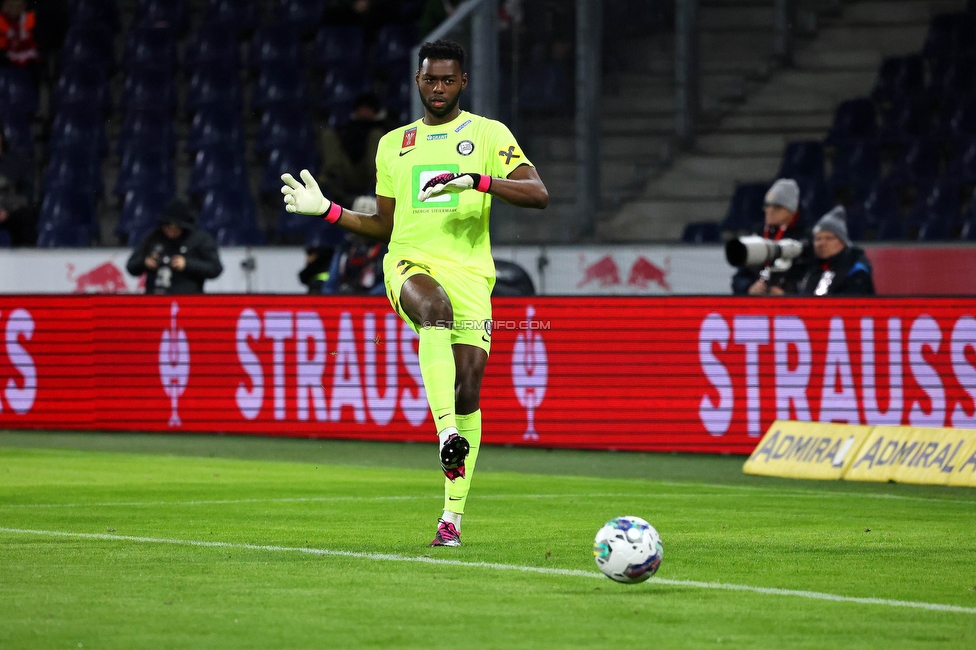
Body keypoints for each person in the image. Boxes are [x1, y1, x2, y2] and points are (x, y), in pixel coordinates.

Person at [281, 39, 548, 547]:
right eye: (431, 79)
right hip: (408, 262)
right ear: (418, 81)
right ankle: (445, 432)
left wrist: (476, 180)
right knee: (435, 312)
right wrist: (328, 211)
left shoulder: (488, 134)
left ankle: (452, 520)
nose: (440, 87)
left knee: (468, 390)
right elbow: (383, 224)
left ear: (463, 83)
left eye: (449, 79)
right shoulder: (393, 144)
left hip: (472, 272)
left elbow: (538, 194)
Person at [731, 178, 811, 296]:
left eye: (777, 207)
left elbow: (810, 277)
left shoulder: (805, 238)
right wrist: (748, 288)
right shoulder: (758, 234)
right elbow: (739, 277)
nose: (769, 210)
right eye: (767, 205)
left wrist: (789, 293)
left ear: (792, 210)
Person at [126, 199, 223, 294]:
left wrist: (187, 264)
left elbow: (215, 268)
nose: (171, 231)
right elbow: (131, 266)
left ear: (184, 226)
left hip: (188, 301)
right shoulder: (153, 237)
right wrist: (145, 262)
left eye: (176, 227)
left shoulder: (200, 239)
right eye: (167, 226)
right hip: (155, 300)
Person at [317, 92, 386, 206]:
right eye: (361, 108)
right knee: (328, 134)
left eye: (368, 108)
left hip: (373, 175)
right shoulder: (346, 127)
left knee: (376, 135)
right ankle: (335, 186)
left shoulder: (385, 127)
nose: (364, 111)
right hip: (345, 173)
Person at [796, 206, 875, 296]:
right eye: (817, 239)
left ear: (843, 242)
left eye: (828, 238)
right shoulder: (812, 267)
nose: (821, 244)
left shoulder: (856, 270)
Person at [0, 124, 35, 246]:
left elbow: (26, 192)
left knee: (24, 218)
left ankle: (26, 261)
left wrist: (6, 210)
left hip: (10, 211)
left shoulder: (16, 162)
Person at [0, 0, 40, 87]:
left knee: (34, 68)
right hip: (6, 59)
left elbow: (33, 41)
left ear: (24, 6)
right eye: (11, 6)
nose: (15, 9)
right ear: (5, 5)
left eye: (18, 6)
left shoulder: (29, 18)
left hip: (28, 60)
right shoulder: (1, 21)